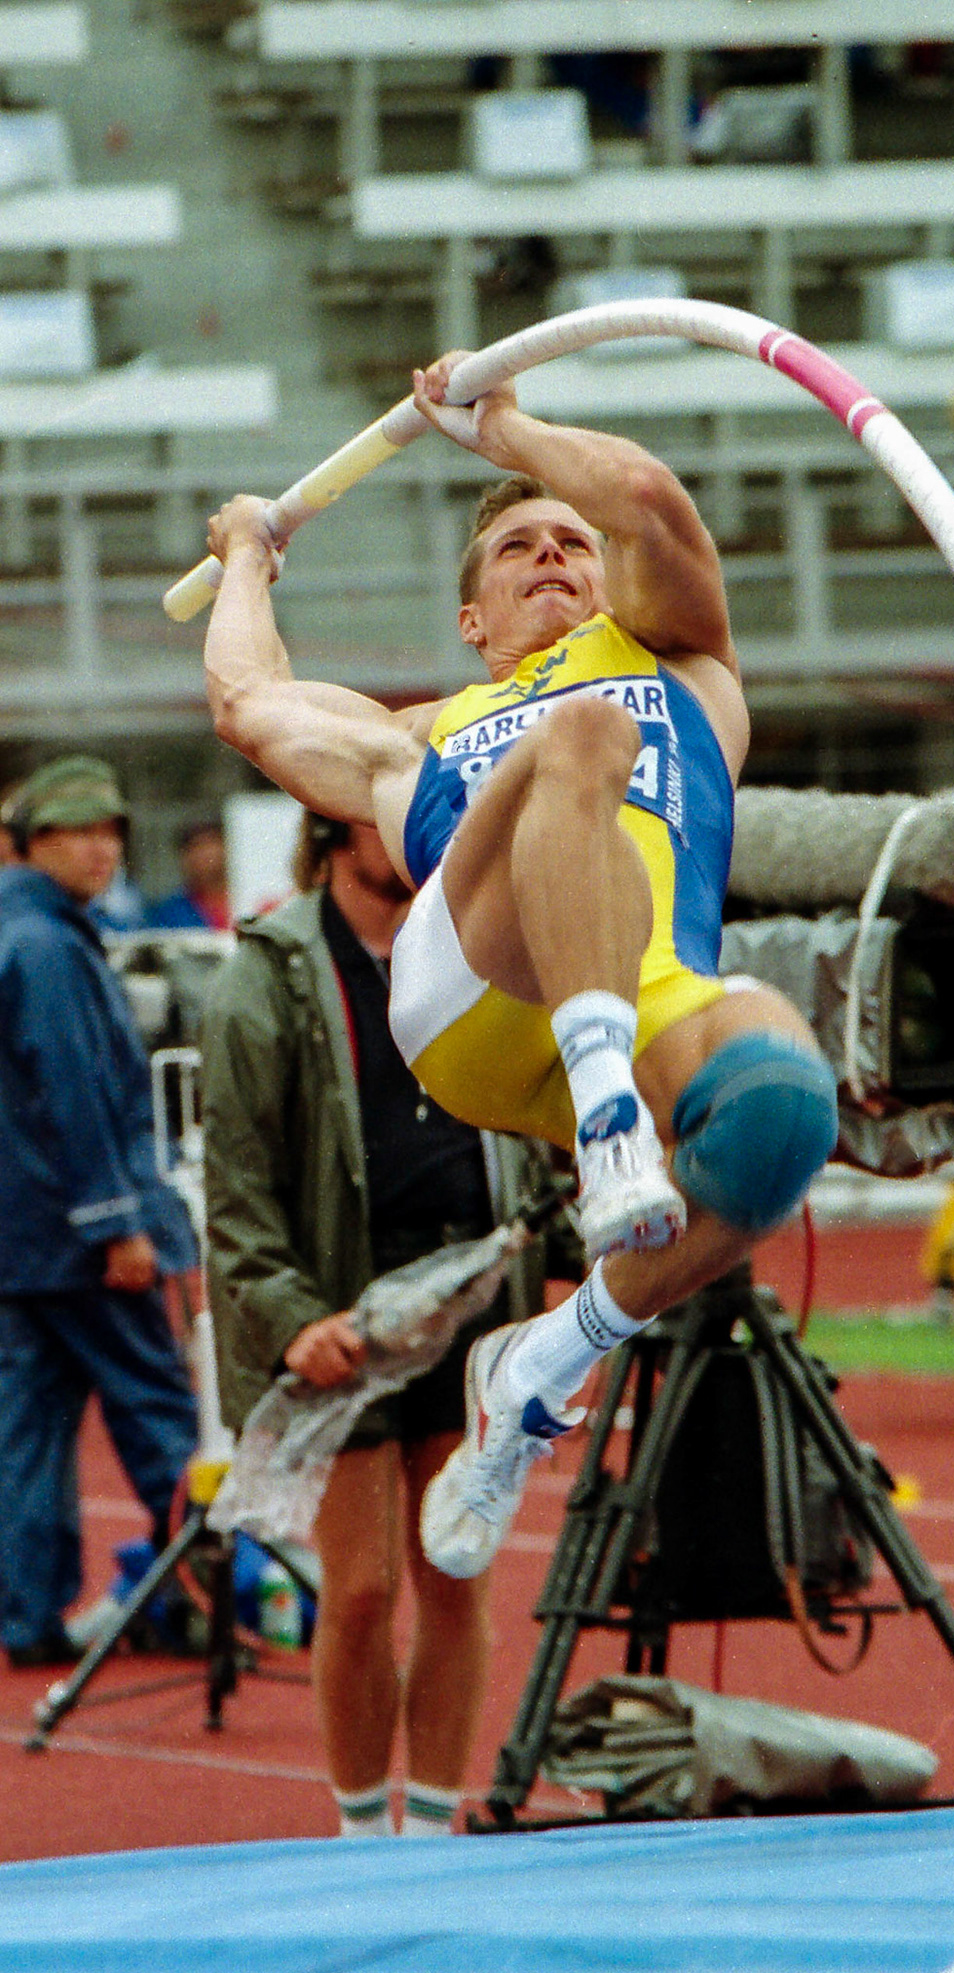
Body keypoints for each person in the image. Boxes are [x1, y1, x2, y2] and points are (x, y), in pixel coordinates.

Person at [201, 350, 840, 1582]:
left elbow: (649, 499)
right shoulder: (413, 742)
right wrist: (244, 552)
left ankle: (550, 1354)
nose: (554, 554)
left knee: (780, 1113)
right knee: (579, 735)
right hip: (477, 995)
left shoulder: (688, 672)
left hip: (647, 994)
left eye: (571, 543)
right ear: (471, 622)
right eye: (516, 551)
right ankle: (609, 1124)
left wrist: (507, 433)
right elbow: (247, 699)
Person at [202, 809, 535, 1837]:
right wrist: (293, 1315)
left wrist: (567, 1277)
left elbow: (546, 1109)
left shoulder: (483, 941)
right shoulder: (270, 973)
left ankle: (429, 1830)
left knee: (456, 1577)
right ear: (332, 837)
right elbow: (237, 1185)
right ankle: (358, 1831)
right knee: (357, 1592)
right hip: (343, 1299)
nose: (414, 829)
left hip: (477, 1296)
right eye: (385, 817)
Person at [0, 757, 199, 1668]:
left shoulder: (25, 931)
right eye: (76, 831)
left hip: (24, 1240)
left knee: (30, 1435)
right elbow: (75, 1095)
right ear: (28, 845)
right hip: (84, 1237)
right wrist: (118, 1222)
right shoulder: (48, 945)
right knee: (158, 1413)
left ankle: (30, 1617)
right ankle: (196, 1594)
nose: (101, 846)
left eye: (111, 829)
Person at [149, 819, 231, 931]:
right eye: (197, 846)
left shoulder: (252, 902)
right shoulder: (170, 912)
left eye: (212, 843)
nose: (207, 854)